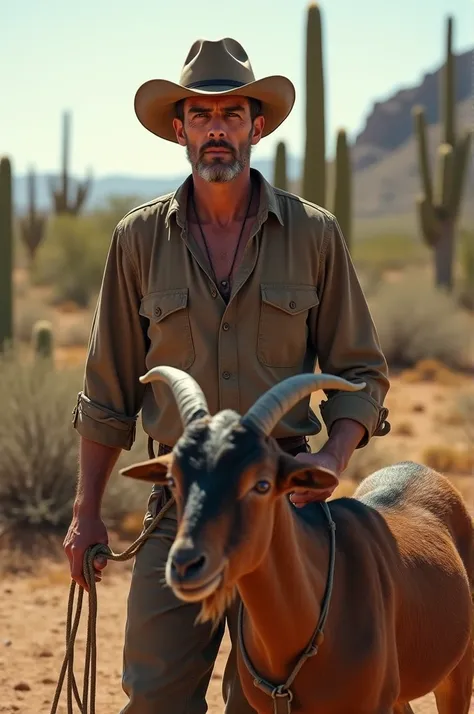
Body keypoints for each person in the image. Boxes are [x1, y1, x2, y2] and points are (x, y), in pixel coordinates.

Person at [64, 37, 391, 714]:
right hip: (179, 508)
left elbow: (361, 371)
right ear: (179, 129)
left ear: (257, 126)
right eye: (202, 115)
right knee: (155, 698)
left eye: (233, 114)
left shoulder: (314, 234)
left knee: (269, 700)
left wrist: (330, 456)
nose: (218, 129)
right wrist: (86, 511)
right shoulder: (138, 240)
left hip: (283, 511)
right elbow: (107, 395)